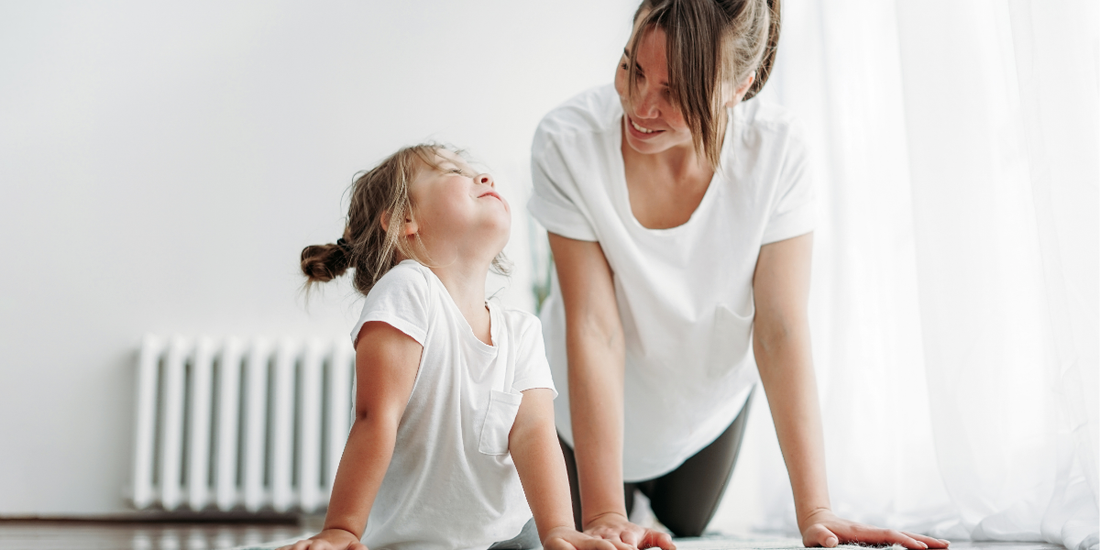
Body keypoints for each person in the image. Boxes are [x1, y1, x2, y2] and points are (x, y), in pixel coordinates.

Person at [527, 1, 952, 548]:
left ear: (740, 86)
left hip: (705, 407)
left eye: (674, 92)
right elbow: (594, 327)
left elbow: (780, 328)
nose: (638, 104)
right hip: (577, 416)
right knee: (598, 529)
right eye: (631, 67)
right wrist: (606, 509)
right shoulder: (567, 141)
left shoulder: (777, 152)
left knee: (689, 527)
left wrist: (815, 509)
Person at [284, 145, 630, 550]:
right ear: (404, 220)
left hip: (512, 537)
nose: (483, 178)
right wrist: (342, 528)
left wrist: (559, 530)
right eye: (453, 172)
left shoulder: (522, 330)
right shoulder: (408, 290)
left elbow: (535, 433)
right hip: (416, 540)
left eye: (477, 171)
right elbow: (375, 416)